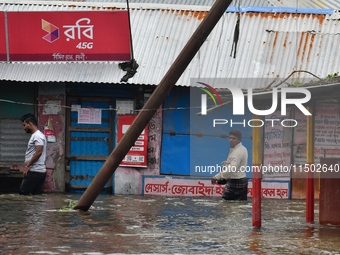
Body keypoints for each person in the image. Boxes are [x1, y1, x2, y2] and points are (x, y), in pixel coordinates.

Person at [211, 129, 248, 200]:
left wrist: (217, 177)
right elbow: (237, 164)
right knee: (240, 204)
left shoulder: (237, 152)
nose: (231, 140)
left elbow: (232, 168)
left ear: (239, 140)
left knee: (225, 205)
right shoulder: (243, 149)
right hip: (242, 179)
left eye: (234, 138)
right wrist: (228, 163)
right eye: (230, 138)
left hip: (235, 181)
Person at [19, 113, 47, 195]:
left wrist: (28, 166)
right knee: (36, 195)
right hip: (38, 171)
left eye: (24, 125)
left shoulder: (37, 136)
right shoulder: (37, 135)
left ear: (30, 124)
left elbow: (38, 152)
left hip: (35, 171)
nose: (24, 128)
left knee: (23, 193)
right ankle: (37, 208)